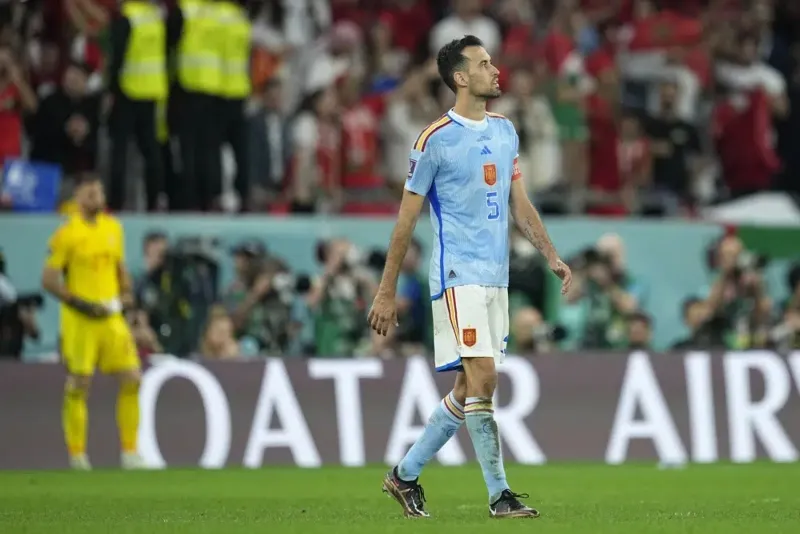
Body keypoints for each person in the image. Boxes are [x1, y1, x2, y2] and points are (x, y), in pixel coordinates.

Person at [368, 35, 571, 519]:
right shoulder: (433, 140)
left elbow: (520, 204)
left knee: (468, 389)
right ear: (460, 77)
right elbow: (405, 221)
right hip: (457, 274)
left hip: (496, 275)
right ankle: (500, 496)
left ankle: (404, 475)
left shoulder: (504, 131)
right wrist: (386, 290)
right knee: (484, 377)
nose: (495, 70)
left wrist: (551, 254)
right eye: (483, 64)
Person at [40, 174, 143, 470]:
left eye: (98, 193)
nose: (96, 199)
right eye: (89, 194)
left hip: (111, 317)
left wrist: (126, 293)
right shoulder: (66, 234)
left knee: (132, 379)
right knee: (79, 384)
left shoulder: (113, 228)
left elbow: (119, 268)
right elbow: (49, 279)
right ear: (77, 198)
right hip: (80, 320)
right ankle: (77, 454)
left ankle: (130, 452)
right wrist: (81, 304)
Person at [107, 0, 168, 211]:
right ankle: (153, 202)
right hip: (151, 90)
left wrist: (111, 89)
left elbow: (117, 56)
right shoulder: (155, 17)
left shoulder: (126, 18)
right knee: (151, 151)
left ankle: (116, 202)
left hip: (128, 89)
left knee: (120, 150)